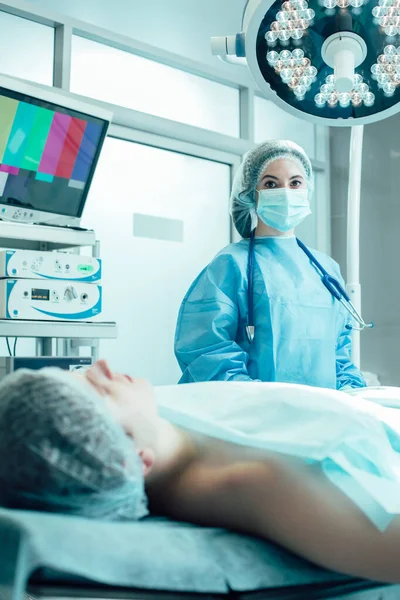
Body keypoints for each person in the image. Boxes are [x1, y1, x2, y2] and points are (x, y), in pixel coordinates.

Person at [2, 360, 400, 584]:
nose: (104, 366)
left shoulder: (159, 421)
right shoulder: (253, 483)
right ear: (133, 460)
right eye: (99, 388)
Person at [175, 140, 366, 389]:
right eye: (271, 184)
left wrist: (350, 395)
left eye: (295, 182)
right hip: (257, 418)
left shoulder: (325, 268)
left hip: (323, 415)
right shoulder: (232, 264)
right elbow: (205, 348)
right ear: (251, 193)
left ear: (307, 189)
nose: (285, 192)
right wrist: (258, 402)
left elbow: (338, 353)